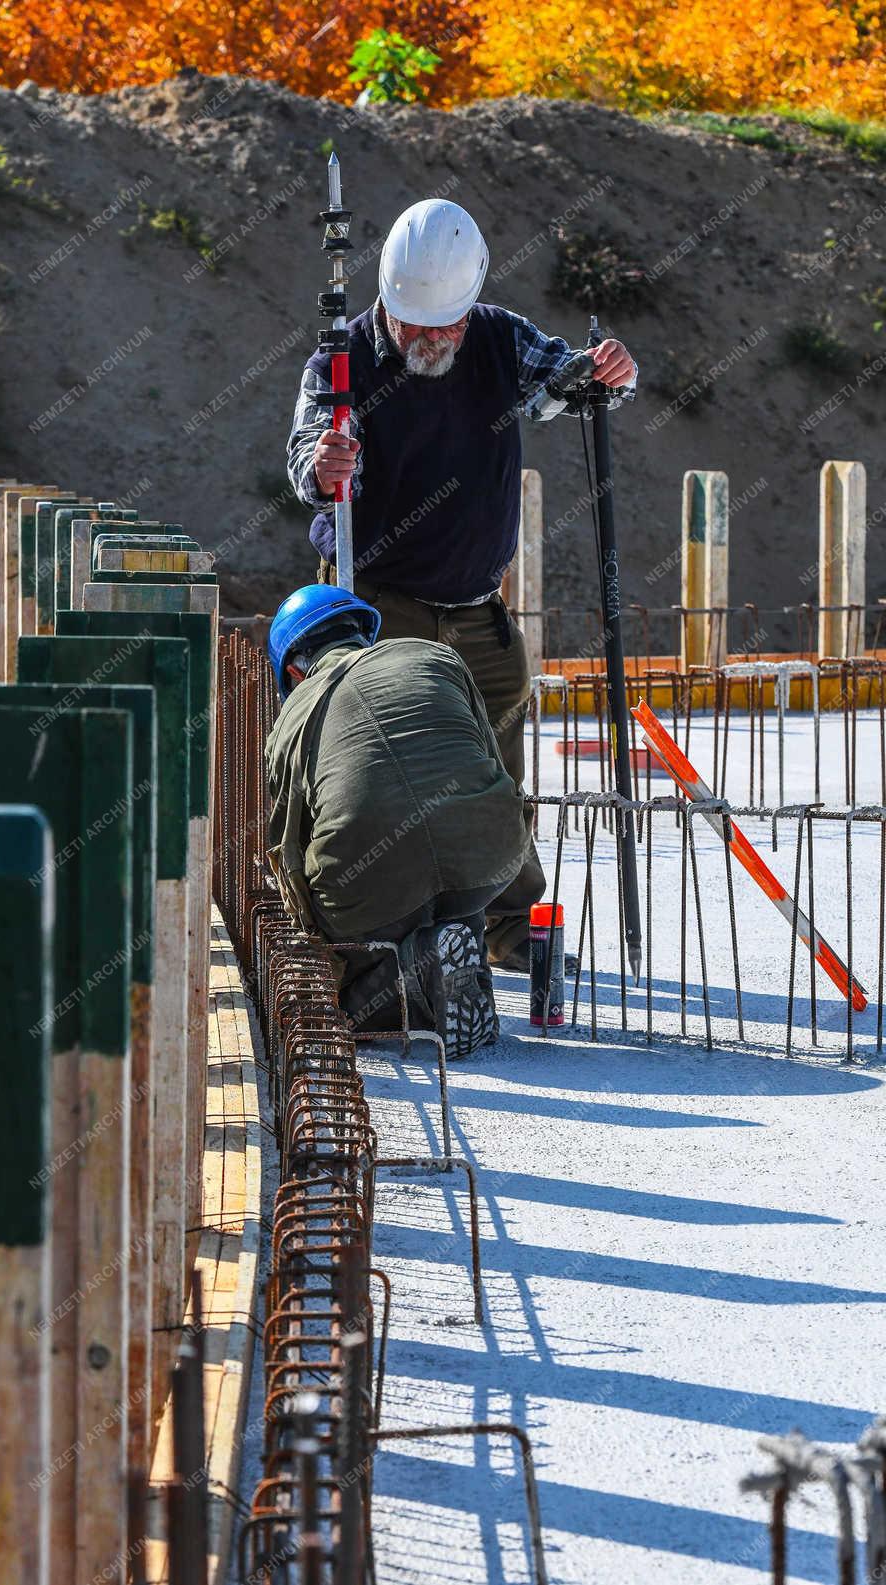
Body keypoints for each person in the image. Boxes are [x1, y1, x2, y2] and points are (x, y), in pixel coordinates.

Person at [287, 197, 638, 971]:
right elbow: (307, 452)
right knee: (378, 774)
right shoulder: (341, 360)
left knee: (494, 775)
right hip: (376, 606)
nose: (432, 340)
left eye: (446, 325)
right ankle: (371, 937)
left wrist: (605, 373)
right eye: (417, 327)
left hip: (477, 607)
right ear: (389, 300)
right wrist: (324, 467)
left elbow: (566, 385)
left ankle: (508, 926)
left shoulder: (497, 337)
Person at [264, 584, 535, 1058]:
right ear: (362, 634)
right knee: (455, 882)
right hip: (489, 858)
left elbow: (287, 844)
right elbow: (494, 766)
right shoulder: (433, 657)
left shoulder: (292, 716)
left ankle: (407, 974)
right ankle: (460, 958)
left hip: (374, 888)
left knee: (361, 998)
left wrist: (321, 939)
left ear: (293, 669)